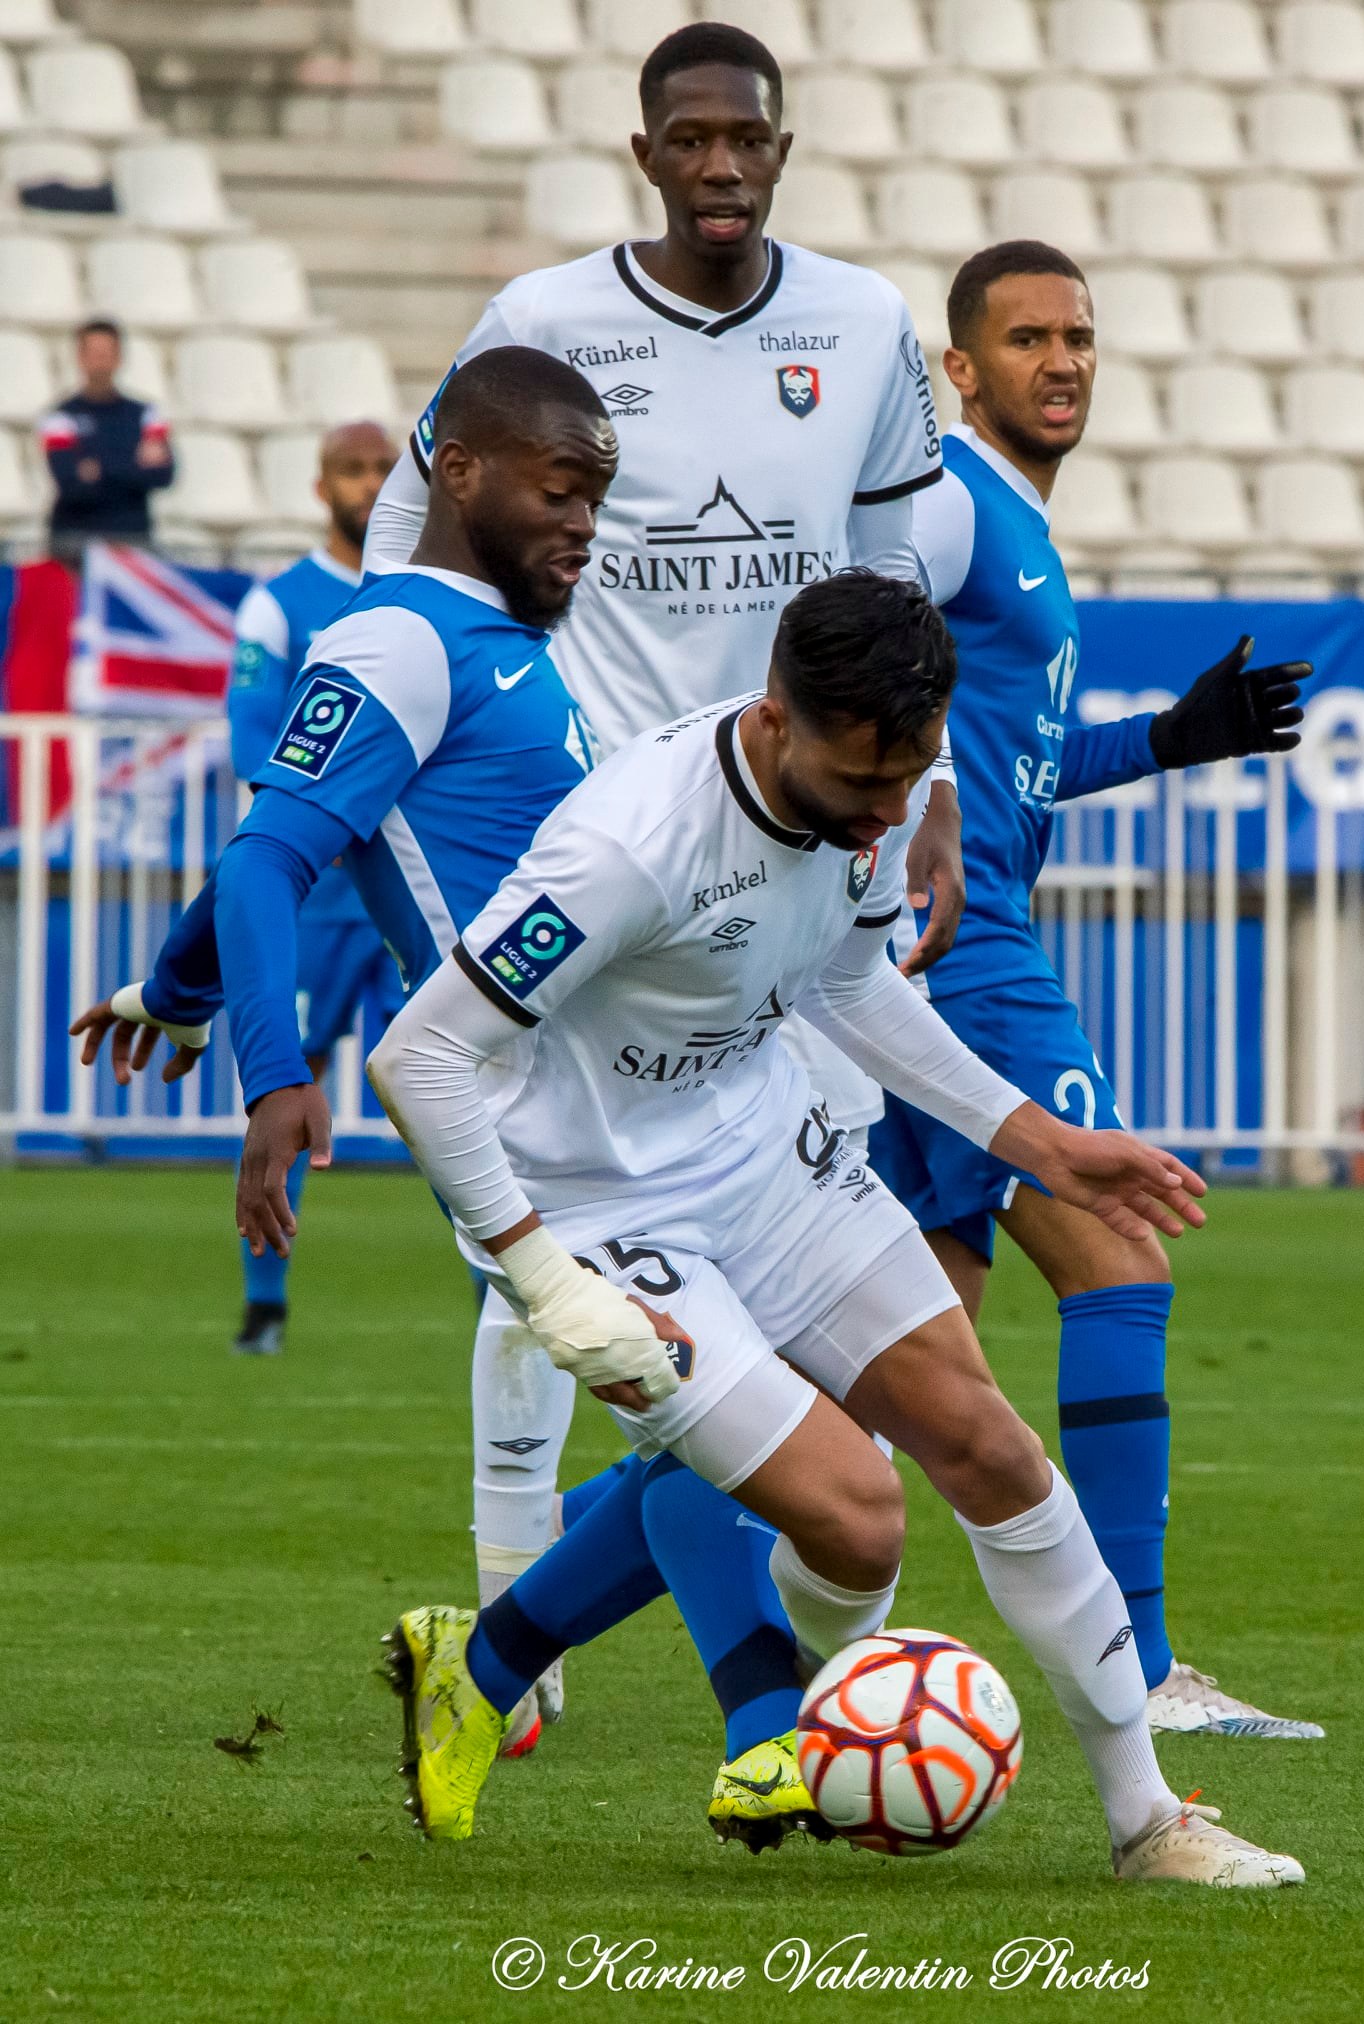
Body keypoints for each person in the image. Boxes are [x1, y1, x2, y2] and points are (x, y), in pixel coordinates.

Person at [368, 568, 1303, 1889]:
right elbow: (418, 1057)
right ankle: (749, 1707)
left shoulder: (884, 783)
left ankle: (1147, 1822)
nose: (884, 810)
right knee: (858, 1521)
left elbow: (851, 984)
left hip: (768, 1156)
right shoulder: (629, 845)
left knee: (990, 1449)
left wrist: (1039, 1143)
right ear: (774, 718)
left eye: (907, 775)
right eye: (861, 780)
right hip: (596, 1204)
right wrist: (539, 1274)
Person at [359, 18, 969, 1812]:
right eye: (686, 136)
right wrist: (475, 744)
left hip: (797, 867)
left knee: (742, 1376)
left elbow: (899, 571)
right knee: (647, 1323)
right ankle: (753, 1722)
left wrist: (918, 779)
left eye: (743, 137)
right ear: (645, 152)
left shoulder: (857, 325)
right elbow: (410, 541)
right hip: (615, 869)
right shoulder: (542, 318)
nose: (717, 163)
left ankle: (497, 1656)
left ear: (780, 146)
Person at [69, 345, 619, 1761]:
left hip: (598, 1074)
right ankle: (594, 1669)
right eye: (562, 490)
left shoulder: (496, 637)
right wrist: (268, 1072)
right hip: (538, 1081)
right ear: (459, 476)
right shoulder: (395, 637)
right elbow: (268, 844)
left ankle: (508, 1642)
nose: (583, 522)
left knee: (721, 1404)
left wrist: (173, 990)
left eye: (595, 496)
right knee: (776, 1428)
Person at [868, 242, 1322, 1742]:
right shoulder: (947, 501)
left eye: (1075, 335)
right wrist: (926, 797)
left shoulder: (1017, 524)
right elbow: (858, 623)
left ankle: (510, 1629)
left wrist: (1170, 740)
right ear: (961, 368)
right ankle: (1140, 1665)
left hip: (915, 950)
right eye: (1024, 338)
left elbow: (1016, 759)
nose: (1059, 360)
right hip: (962, 945)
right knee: (1122, 1255)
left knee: (878, 1367)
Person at [225, 422, 402, 1356]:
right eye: (352, 470)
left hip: (412, 903)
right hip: (323, 903)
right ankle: (266, 1304)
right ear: (320, 485)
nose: (370, 484)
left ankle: (506, 1311)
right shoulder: (280, 604)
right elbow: (252, 733)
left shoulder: (424, 596)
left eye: (383, 469)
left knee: (467, 1101)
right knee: (287, 1095)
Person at [38, 319, 174, 564]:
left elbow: (162, 475)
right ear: (80, 357)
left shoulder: (145, 414)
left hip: (132, 537)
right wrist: (132, 464)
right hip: (75, 541)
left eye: (107, 353)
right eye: (94, 353)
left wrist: (98, 467)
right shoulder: (60, 417)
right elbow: (70, 483)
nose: (101, 361)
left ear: (119, 357)